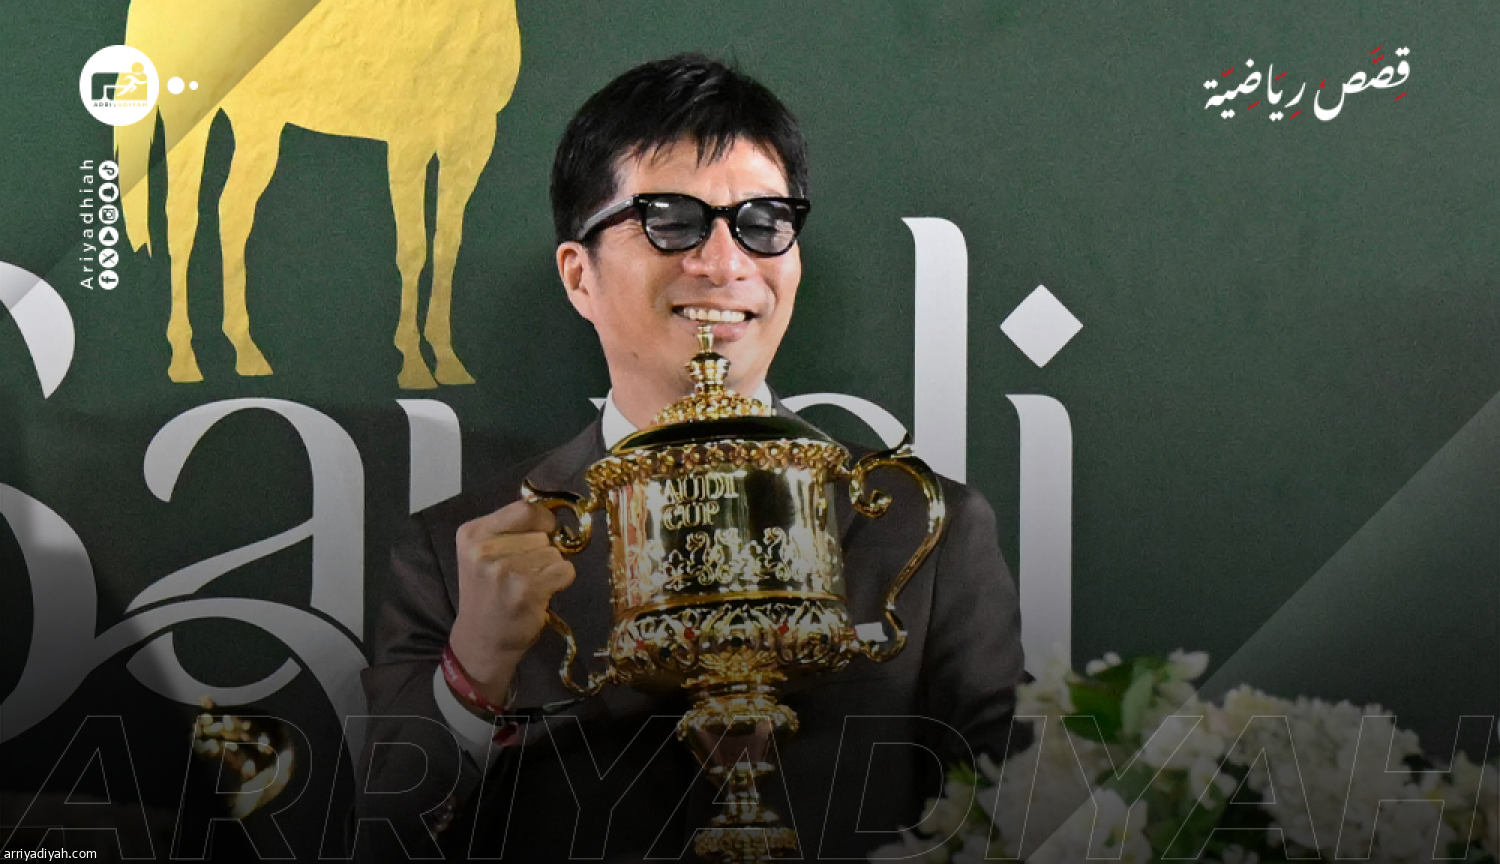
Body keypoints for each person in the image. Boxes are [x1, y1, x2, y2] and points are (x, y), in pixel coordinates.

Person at [355, 53, 1023, 862]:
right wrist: (474, 674)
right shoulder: (460, 552)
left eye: (763, 222)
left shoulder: (928, 527)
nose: (724, 263)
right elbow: (389, 843)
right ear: (579, 276)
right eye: (671, 220)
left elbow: (1021, 823)